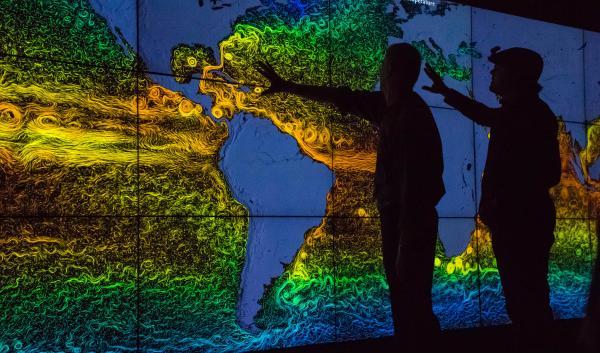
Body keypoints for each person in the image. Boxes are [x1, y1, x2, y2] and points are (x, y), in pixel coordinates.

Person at [255, 43, 445, 352]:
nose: (379, 69)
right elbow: (341, 98)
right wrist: (287, 86)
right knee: (407, 302)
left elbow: (416, 188)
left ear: (393, 71)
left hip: (408, 222)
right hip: (402, 220)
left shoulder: (409, 117)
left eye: (384, 63)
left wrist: (406, 243)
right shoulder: (391, 107)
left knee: (412, 304)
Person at [424, 47, 561, 353]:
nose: (491, 73)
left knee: (526, 299)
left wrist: (508, 198)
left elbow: (549, 173)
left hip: (520, 223)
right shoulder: (526, 112)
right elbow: (489, 117)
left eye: (497, 69)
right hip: (522, 220)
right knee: (528, 297)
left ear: (514, 76)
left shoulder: (526, 114)